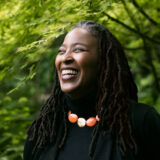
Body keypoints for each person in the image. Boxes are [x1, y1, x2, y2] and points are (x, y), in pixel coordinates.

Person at [23, 20, 160, 160]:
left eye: (78, 49)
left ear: (104, 61)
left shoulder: (140, 121)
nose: (65, 58)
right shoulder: (43, 131)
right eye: (61, 51)